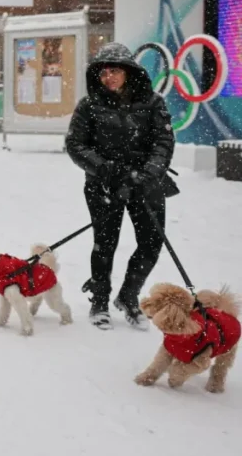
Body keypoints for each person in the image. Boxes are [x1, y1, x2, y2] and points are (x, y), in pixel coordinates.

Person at [66, 42, 176, 330]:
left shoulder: (153, 102)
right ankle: (100, 300)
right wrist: (107, 169)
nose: (108, 78)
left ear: (128, 71)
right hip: (104, 185)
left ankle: (128, 296)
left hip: (146, 184)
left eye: (114, 71)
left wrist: (146, 175)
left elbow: (164, 142)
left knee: (151, 243)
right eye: (103, 73)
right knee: (105, 244)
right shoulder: (89, 105)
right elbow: (75, 144)